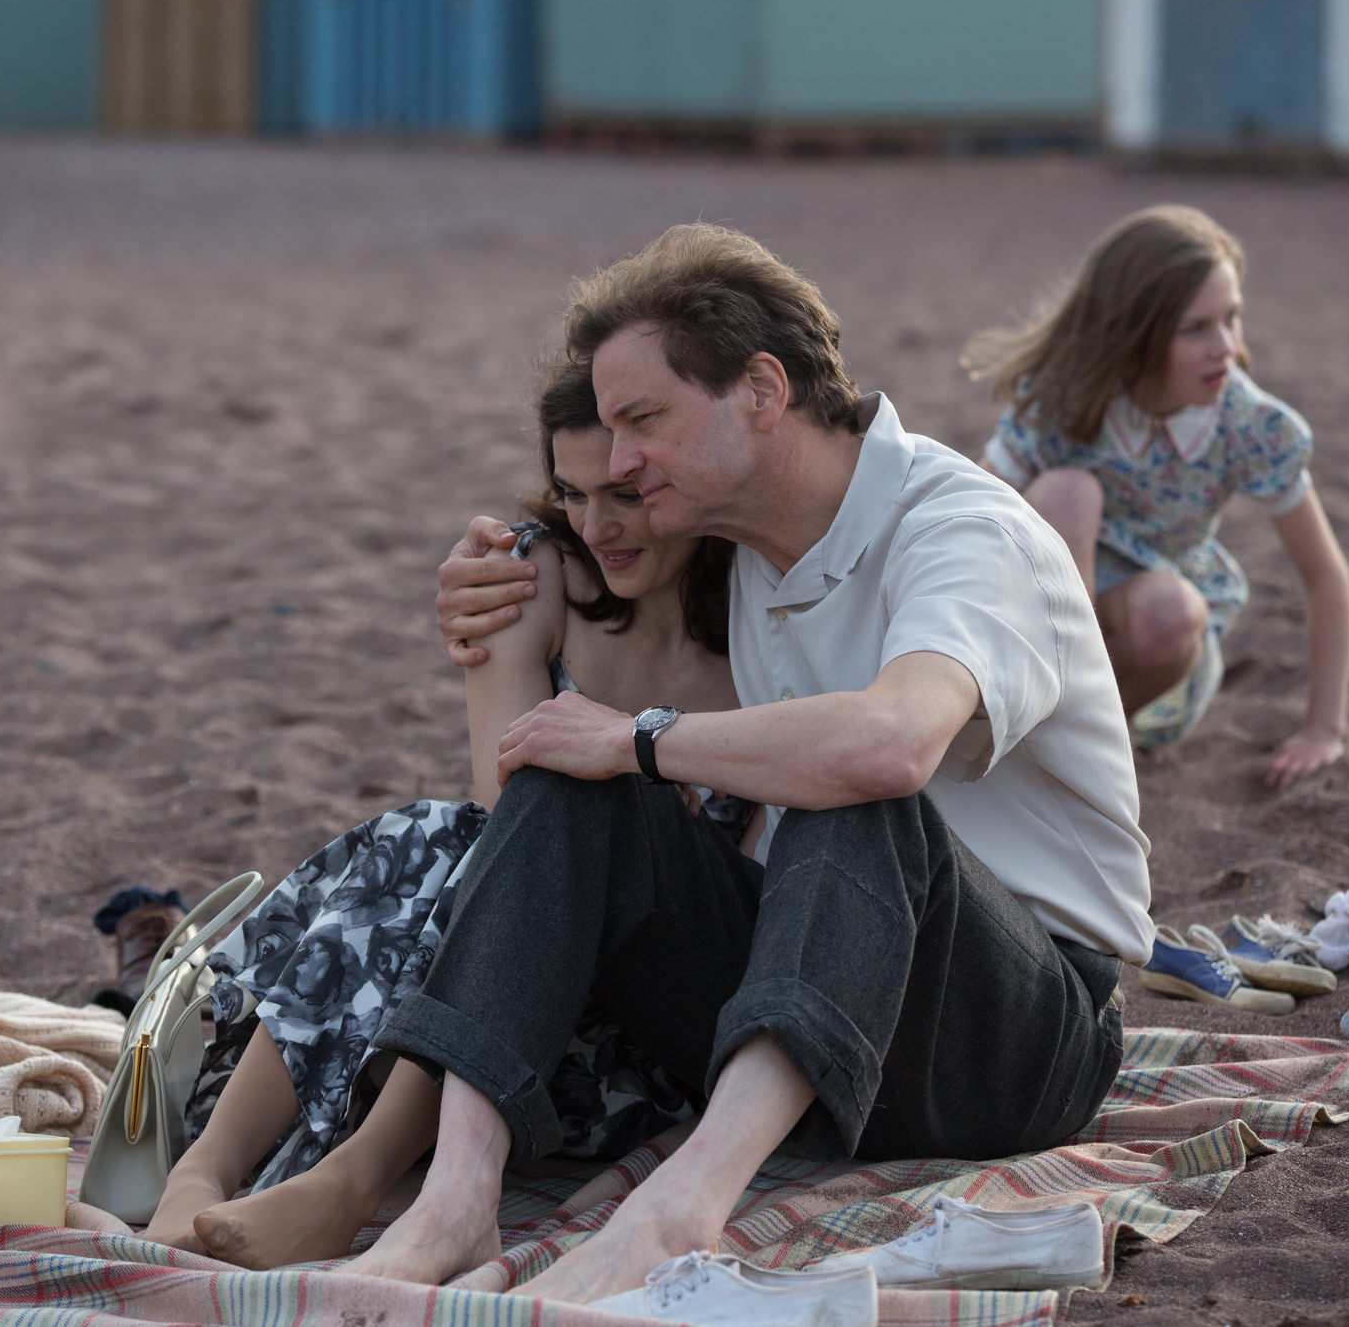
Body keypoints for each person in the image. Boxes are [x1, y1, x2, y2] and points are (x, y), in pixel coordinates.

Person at [350, 223, 1153, 1305]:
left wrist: (632, 737)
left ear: (762, 390)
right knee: (565, 770)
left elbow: (889, 743)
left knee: (850, 780)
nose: (619, 461)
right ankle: (453, 1198)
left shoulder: (961, 532)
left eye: (643, 421)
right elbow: (590, 564)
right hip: (813, 1023)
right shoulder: (745, 552)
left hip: (1014, 1039)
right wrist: (492, 590)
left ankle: (679, 1210)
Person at [138, 360, 753, 1268]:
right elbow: (515, 830)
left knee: (461, 849)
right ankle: (205, 1168)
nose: (599, 525)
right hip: (504, 994)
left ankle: (353, 1174)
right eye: (574, 492)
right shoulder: (526, 573)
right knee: (443, 839)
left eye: (626, 491)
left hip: (633, 1040)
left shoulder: (765, 625)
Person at [964, 205, 1349, 788]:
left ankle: (1084, 735)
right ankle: (1032, 714)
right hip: (1050, 615)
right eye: (1196, 328)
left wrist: (1324, 729)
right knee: (1067, 493)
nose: (1225, 346)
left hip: (1154, 646)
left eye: (1233, 318)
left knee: (1170, 610)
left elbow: (1326, 577)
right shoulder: (1065, 396)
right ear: (1134, 332)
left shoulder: (1250, 426)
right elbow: (967, 515)